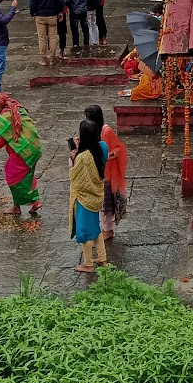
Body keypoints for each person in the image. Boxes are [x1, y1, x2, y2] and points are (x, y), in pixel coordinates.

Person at [0, 92, 42, 221]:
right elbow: (13, 131)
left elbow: (5, 138)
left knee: (13, 177)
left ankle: (17, 207)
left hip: (22, 152)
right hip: (33, 148)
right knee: (26, 175)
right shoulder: (15, 109)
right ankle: (35, 202)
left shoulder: (6, 115)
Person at [68, 118, 107, 272]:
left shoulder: (82, 157)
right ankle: (102, 258)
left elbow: (74, 177)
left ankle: (88, 264)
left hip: (83, 198)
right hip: (96, 195)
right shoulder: (102, 147)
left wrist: (73, 157)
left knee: (83, 231)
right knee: (95, 228)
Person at [85, 103, 127, 241]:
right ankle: (103, 228)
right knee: (99, 202)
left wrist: (108, 155)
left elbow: (119, 148)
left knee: (106, 203)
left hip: (107, 172)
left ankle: (108, 230)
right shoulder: (93, 130)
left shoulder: (106, 131)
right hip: (97, 171)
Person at [29, 0, 67, 67]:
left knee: (42, 38)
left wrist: (33, 14)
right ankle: (52, 58)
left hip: (40, 15)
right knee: (53, 37)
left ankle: (43, 59)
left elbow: (32, 3)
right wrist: (60, 12)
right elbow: (60, 1)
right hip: (52, 15)